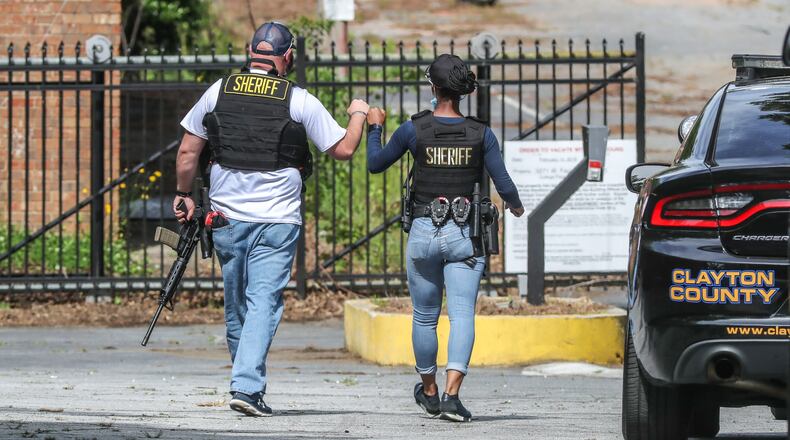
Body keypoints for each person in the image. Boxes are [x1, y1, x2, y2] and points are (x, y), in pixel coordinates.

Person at [174, 22, 369, 417]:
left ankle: (244, 383)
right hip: (278, 221)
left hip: (225, 220)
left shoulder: (218, 91)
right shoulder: (299, 100)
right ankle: (246, 387)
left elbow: (187, 152)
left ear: (251, 53)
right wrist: (359, 113)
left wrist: (183, 194)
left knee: (237, 306)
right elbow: (344, 149)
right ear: (288, 57)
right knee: (263, 301)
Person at [366, 53, 525, 422]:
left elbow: (375, 163)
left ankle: (430, 392)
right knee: (462, 313)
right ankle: (452, 396)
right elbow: (503, 184)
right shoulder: (481, 133)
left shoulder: (414, 130)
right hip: (465, 234)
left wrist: (374, 127)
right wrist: (516, 207)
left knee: (424, 316)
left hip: (424, 231)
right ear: (462, 92)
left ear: (434, 88)